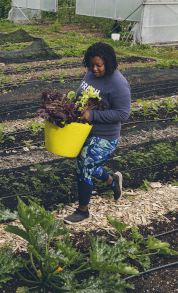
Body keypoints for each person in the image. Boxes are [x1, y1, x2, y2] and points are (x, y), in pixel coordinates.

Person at [64, 42, 131, 224]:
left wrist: (92, 114)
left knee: (84, 164)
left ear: (108, 63)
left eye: (98, 65)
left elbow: (123, 113)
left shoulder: (118, 83)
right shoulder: (90, 74)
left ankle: (82, 210)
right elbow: (81, 95)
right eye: (91, 64)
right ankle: (112, 181)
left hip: (105, 136)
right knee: (89, 165)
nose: (94, 69)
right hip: (83, 132)